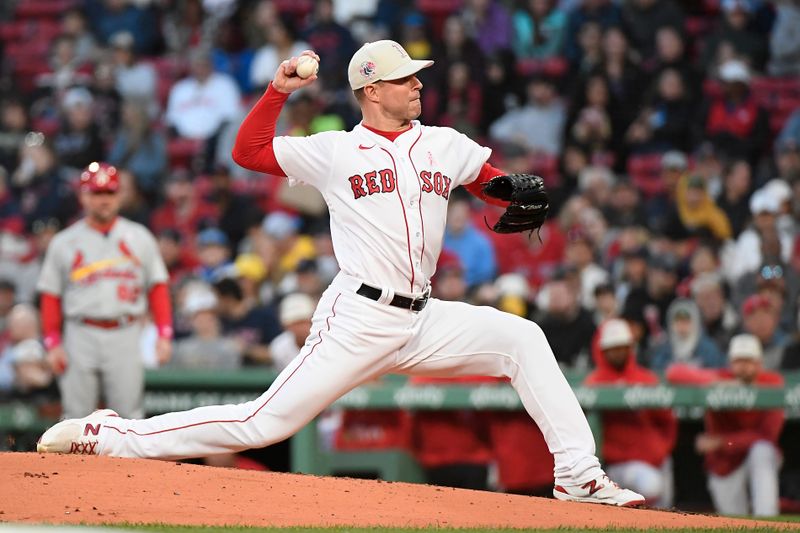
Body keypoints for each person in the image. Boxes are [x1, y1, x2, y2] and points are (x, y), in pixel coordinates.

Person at [36, 42, 644, 507]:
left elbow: (486, 182)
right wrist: (277, 91)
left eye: (417, 76)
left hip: (424, 317)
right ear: (372, 89)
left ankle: (577, 475)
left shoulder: (442, 142)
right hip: (358, 316)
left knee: (523, 339)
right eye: (407, 77)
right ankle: (109, 436)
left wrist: (508, 191)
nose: (417, 85)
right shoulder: (335, 152)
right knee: (262, 423)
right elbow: (247, 153)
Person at [36, 162, 173, 419]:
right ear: (83, 196)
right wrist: (53, 341)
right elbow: (50, 295)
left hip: (126, 332)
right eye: (96, 193)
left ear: (120, 195)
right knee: (75, 418)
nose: (103, 200)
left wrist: (164, 333)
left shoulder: (139, 236)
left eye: (109, 193)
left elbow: (157, 286)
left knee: (129, 418)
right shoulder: (64, 242)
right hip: (80, 333)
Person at [667, 334, 784, 517]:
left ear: (759, 363)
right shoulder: (722, 378)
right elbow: (674, 373)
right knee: (733, 520)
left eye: (749, 361)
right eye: (739, 361)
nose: (744, 366)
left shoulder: (772, 383)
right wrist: (719, 384)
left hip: (745, 451)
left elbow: (767, 436)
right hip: (725, 461)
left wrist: (722, 441)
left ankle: (767, 517)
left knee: (763, 450)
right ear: (730, 362)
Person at [586, 319, 677, 507]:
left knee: (664, 505)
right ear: (603, 351)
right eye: (613, 348)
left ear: (630, 348)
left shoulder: (646, 379)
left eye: (622, 347)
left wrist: (660, 449)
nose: (618, 352)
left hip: (651, 458)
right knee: (651, 486)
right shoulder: (594, 382)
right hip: (612, 465)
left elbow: (668, 421)